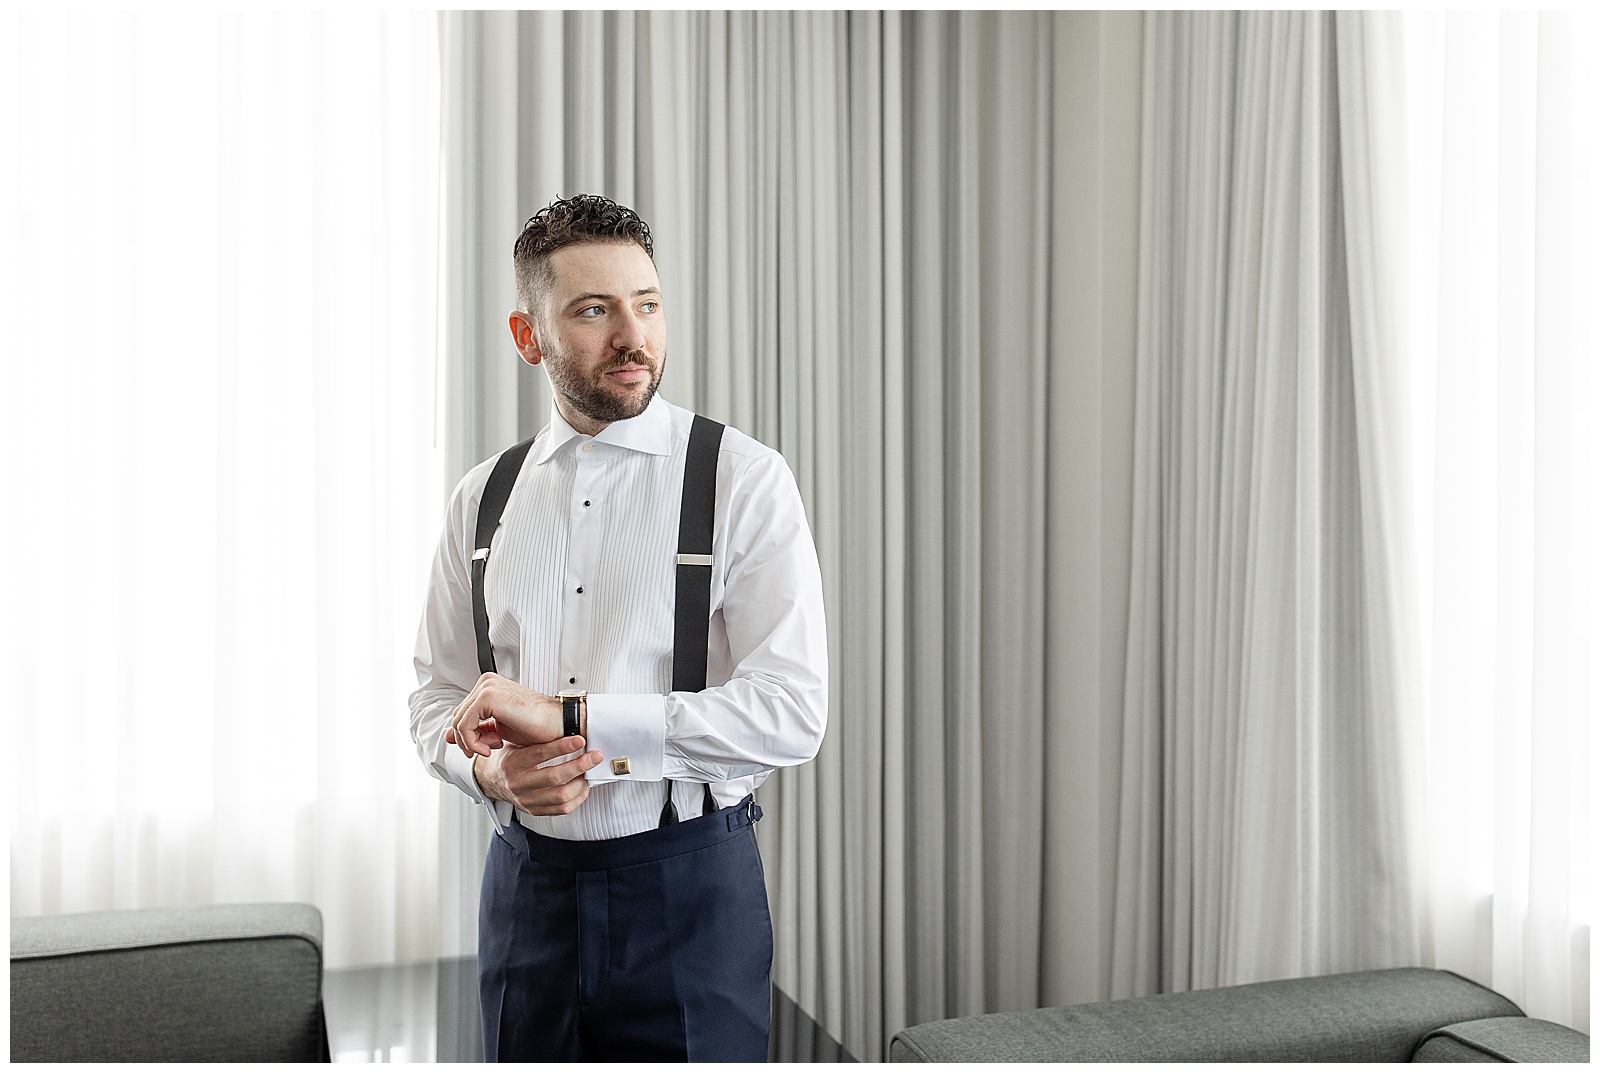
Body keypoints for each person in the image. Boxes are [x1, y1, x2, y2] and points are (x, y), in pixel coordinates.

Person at [408, 194, 828, 1062]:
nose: (632, 335)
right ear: (530, 337)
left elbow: (792, 711)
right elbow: (435, 698)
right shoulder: (482, 499)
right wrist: (487, 768)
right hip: (527, 897)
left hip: (690, 896)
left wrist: (575, 721)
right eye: (594, 310)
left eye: (647, 303)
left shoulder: (744, 480)